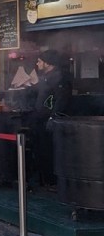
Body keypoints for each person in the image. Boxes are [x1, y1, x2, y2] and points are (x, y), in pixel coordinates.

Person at [28, 48, 72, 188]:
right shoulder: (45, 77)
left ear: (47, 63)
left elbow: (61, 100)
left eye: (40, 61)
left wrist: (54, 117)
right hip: (40, 120)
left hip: (50, 122)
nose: (37, 63)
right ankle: (44, 179)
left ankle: (51, 181)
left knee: (49, 151)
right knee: (40, 151)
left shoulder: (60, 78)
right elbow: (34, 91)